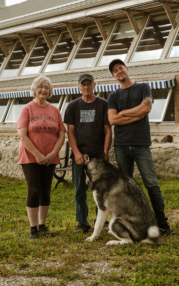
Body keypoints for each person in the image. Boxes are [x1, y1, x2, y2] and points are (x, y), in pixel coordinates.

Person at [106, 59, 173, 236]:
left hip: (141, 144)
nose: (119, 71)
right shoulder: (112, 97)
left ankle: (162, 223)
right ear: (113, 76)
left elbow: (147, 108)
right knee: (126, 188)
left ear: (127, 69)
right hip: (121, 145)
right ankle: (132, 223)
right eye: (115, 70)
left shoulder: (143, 88)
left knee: (152, 184)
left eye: (121, 68)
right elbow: (113, 120)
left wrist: (124, 113)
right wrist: (135, 113)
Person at [16, 76, 66, 239]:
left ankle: (43, 226)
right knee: (34, 190)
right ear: (35, 89)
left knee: (45, 191)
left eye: (47, 87)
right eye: (41, 87)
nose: (44, 90)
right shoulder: (27, 109)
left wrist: (52, 154)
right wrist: (38, 154)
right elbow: (22, 135)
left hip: (50, 157)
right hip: (31, 157)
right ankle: (33, 229)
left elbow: (61, 135)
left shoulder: (55, 110)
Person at [64, 73, 112, 234]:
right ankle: (82, 223)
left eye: (89, 84)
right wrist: (76, 152)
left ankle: (102, 221)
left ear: (94, 85)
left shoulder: (103, 104)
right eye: (83, 84)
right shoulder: (72, 106)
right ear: (78, 87)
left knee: (101, 189)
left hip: (98, 155)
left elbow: (108, 130)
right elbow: (70, 132)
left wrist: (105, 152)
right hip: (80, 155)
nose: (86, 87)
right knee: (79, 190)